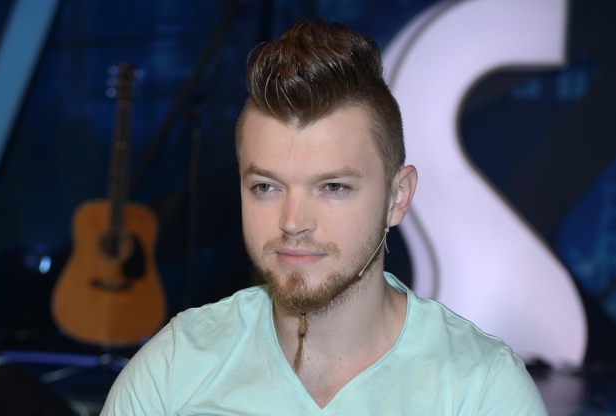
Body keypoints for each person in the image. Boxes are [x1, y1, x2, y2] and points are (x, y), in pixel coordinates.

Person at [101, 18, 547, 415]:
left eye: (333, 187)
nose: (293, 221)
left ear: (398, 197)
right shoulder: (175, 367)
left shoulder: (481, 389)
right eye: (266, 187)